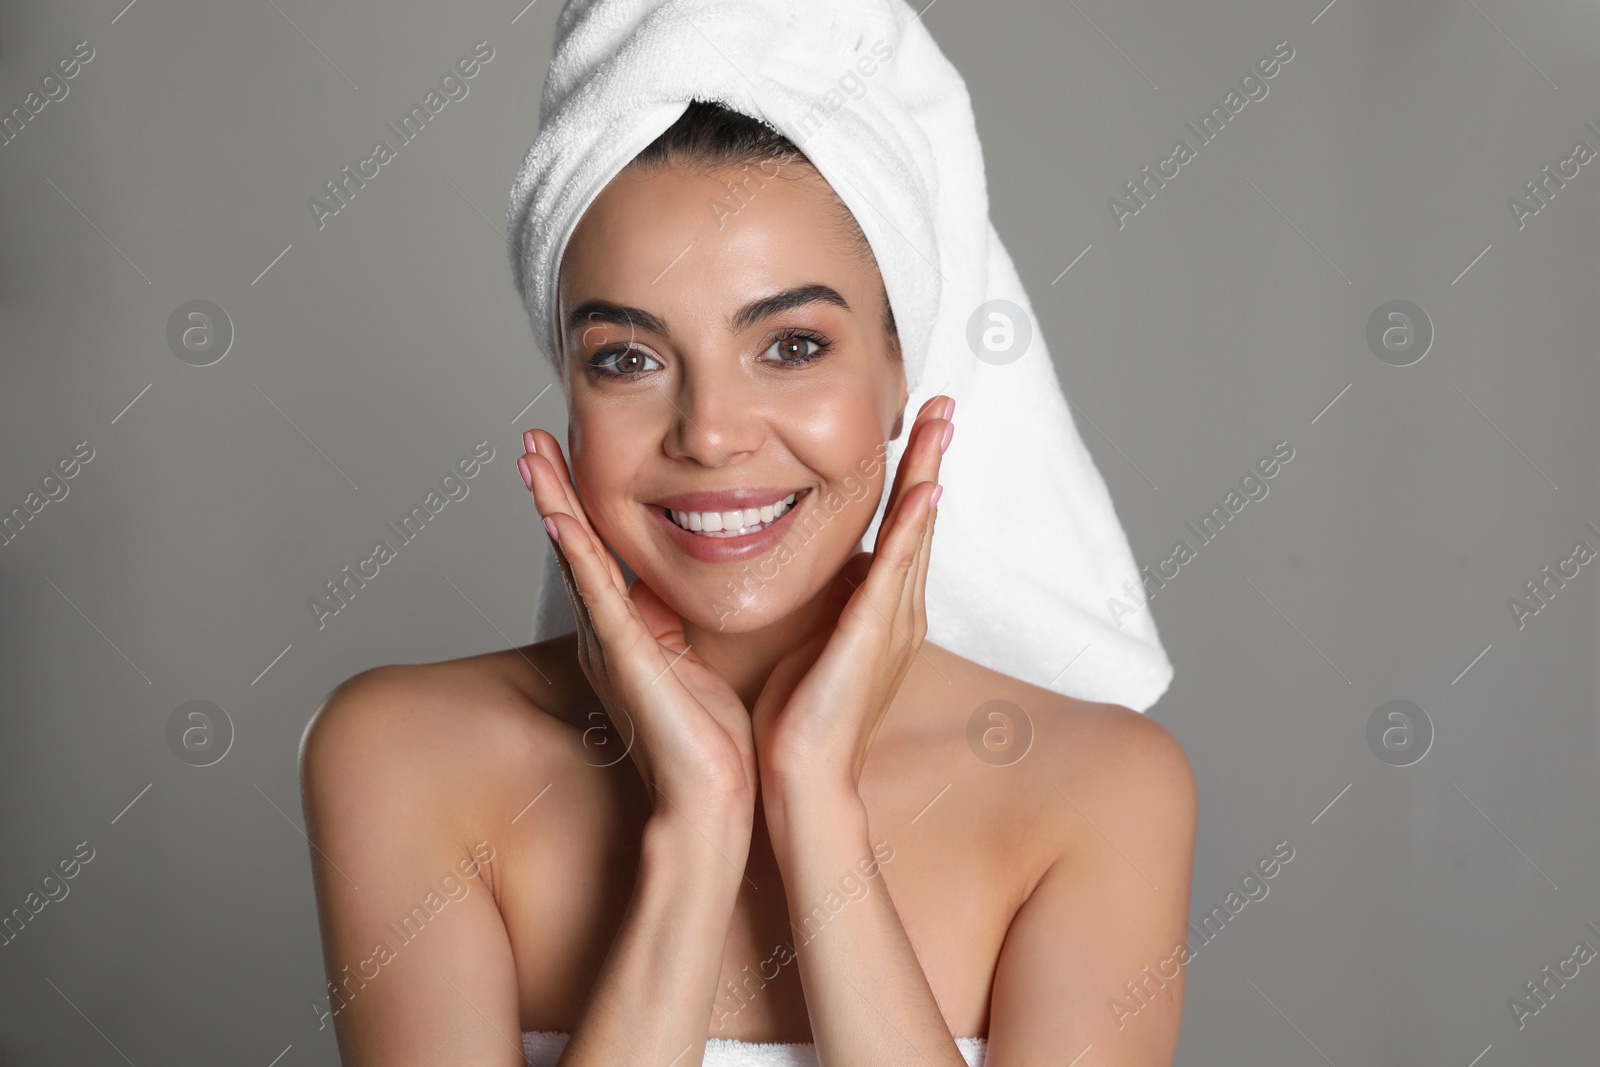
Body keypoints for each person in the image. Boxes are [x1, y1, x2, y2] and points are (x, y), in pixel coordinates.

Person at [300, 61, 1194, 1067]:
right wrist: (697, 832)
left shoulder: (1098, 792)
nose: (712, 433)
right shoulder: (405, 755)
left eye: (792, 344)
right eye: (627, 357)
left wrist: (815, 797)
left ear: (902, 377)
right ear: (568, 398)